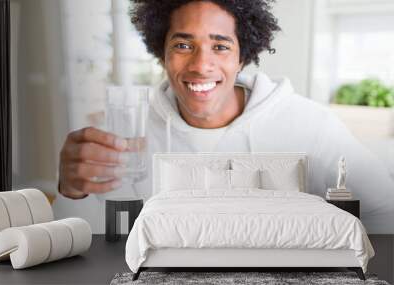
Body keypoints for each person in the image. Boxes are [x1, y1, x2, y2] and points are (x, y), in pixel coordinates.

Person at [56, 0, 394, 233]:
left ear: (243, 58)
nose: (201, 65)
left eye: (220, 46)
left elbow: (385, 211)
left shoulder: (310, 125)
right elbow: (86, 234)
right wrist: (71, 190)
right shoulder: (125, 133)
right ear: (162, 53)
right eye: (183, 45)